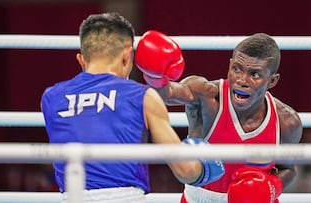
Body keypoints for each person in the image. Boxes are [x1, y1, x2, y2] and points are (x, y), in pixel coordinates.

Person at [40, 12, 224, 203]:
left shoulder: (51, 98)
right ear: (127, 56)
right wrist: (205, 167)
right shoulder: (142, 96)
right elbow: (185, 170)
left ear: (81, 60)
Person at [135, 30, 303, 203]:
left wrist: (271, 187)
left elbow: (288, 169)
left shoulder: (287, 122)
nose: (242, 80)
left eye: (255, 74)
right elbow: (166, 95)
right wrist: (155, 77)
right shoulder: (207, 96)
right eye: (237, 69)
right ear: (230, 64)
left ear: (272, 81)